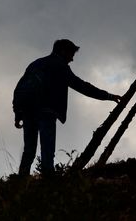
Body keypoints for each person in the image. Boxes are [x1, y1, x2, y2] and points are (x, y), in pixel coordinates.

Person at [13, 39, 121, 177]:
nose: (72, 59)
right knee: (47, 149)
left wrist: (18, 113)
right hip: (47, 112)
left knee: (29, 150)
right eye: (71, 54)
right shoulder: (60, 66)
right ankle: (48, 181)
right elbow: (81, 86)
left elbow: (19, 89)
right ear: (63, 51)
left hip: (27, 111)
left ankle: (21, 182)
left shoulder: (35, 64)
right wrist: (108, 96)